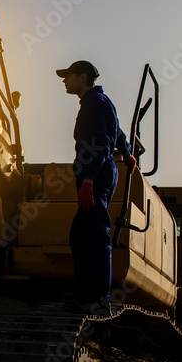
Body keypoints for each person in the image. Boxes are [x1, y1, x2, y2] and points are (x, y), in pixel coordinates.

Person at [56, 60, 136, 314]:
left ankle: (99, 298)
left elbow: (100, 141)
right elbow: (117, 131)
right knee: (81, 235)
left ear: (83, 77)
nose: (64, 81)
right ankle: (85, 294)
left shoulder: (93, 103)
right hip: (101, 171)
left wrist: (88, 180)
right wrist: (127, 151)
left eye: (68, 76)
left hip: (96, 174)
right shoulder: (102, 102)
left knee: (95, 233)